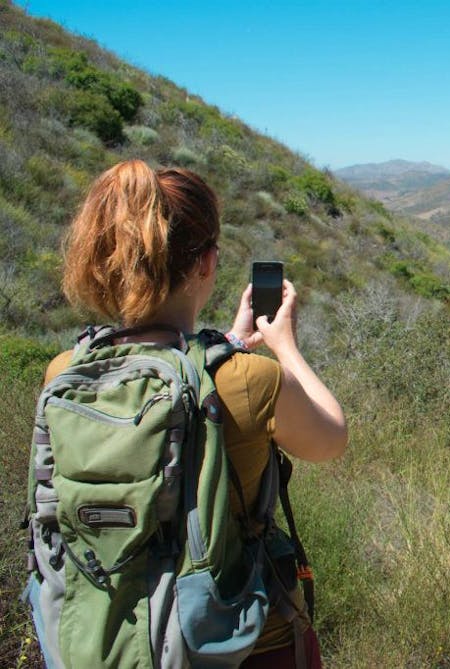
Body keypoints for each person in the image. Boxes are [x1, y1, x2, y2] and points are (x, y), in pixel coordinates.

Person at [46, 159, 347, 667]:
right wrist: (283, 345)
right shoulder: (250, 378)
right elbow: (332, 437)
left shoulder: (64, 373)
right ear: (206, 263)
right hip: (241, 640)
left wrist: (228, 343)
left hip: (110, 633)